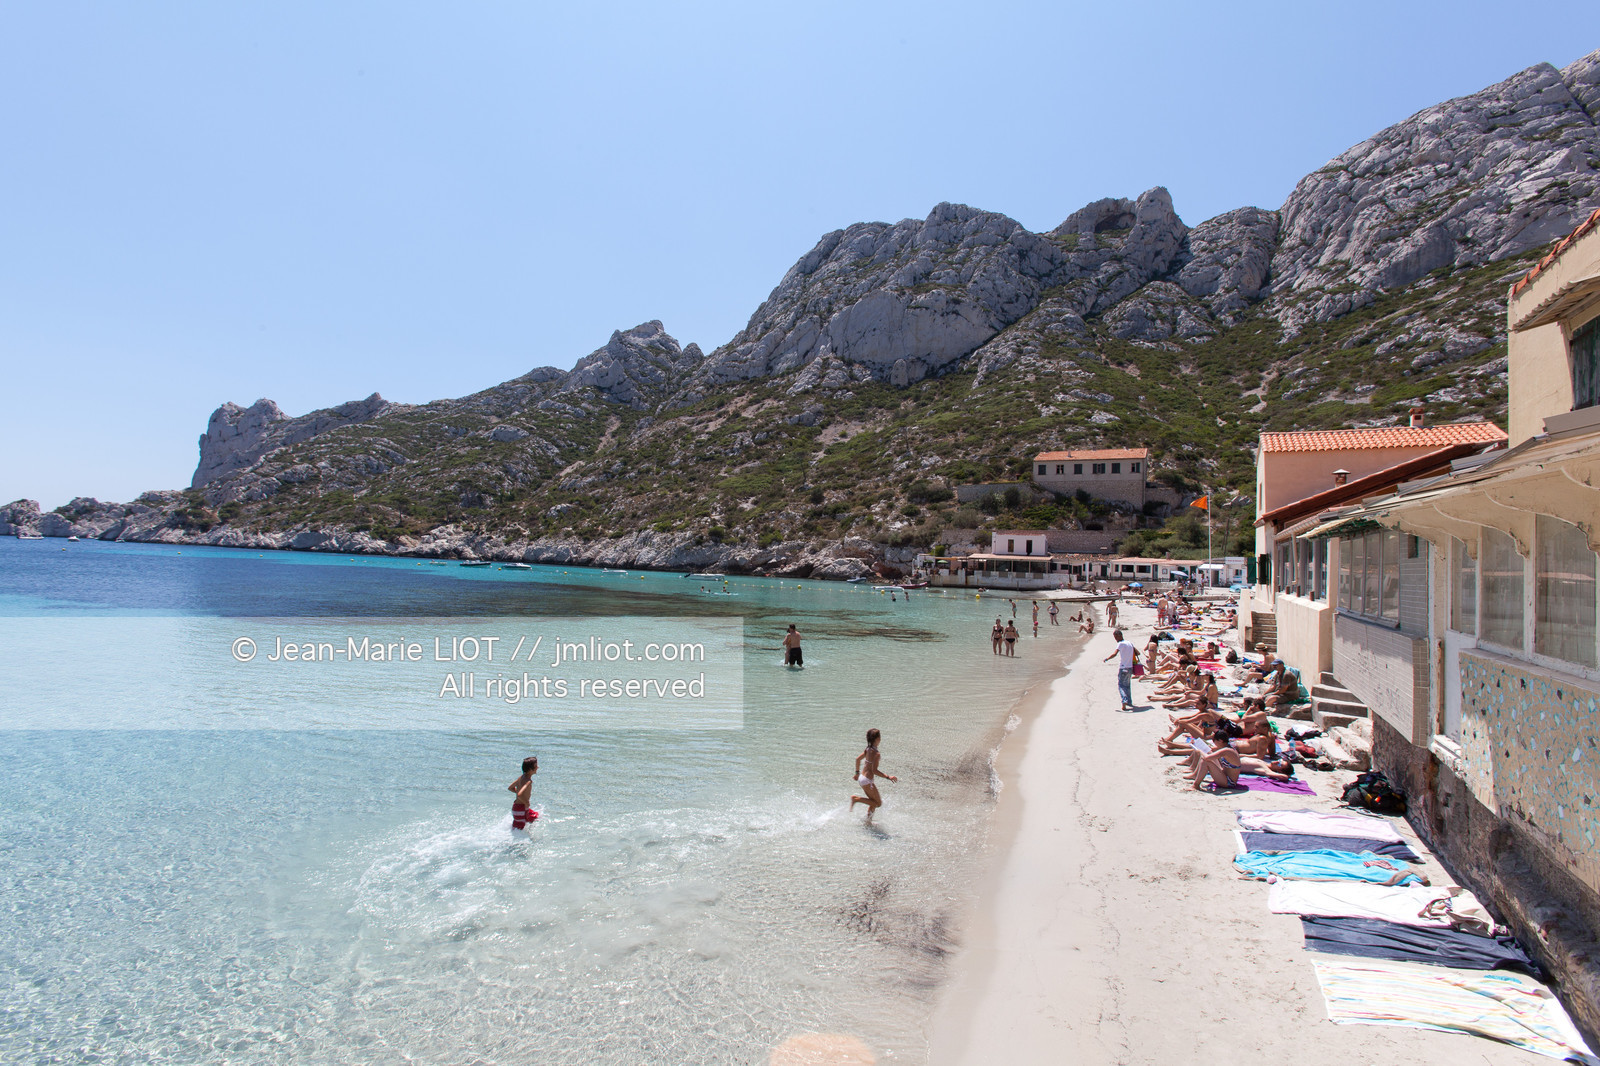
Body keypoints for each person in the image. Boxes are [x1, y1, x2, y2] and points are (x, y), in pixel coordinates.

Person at [850, 728, 897, 821]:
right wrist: (888, 777)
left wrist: (857, 773)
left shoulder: (868, 749)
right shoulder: (877, 754)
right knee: (878, 803)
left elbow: (857, 759)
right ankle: (856, 799)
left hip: (862, 778)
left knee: (872, 802)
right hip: (867, 781)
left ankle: (868, 821)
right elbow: (874, 770)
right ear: (877, 739)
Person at [1102, 627, 1137, 710]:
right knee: (1127, 685)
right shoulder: (1130, 643)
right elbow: (1137, 652)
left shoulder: (1120, 644)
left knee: (1121, 685)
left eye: (1115, 637)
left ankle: (1124, 700)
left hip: (1123, 667)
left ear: (1119, 636)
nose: (1115, 639)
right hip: (1130, 667)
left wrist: (1107, 659)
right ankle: (1129, 701)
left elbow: (1115, 654)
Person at [508, 756, 539, 831]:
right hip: (521, 809)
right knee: (521, 829)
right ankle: (527, 839)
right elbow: (519, 795)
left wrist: (518, 792)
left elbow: (510, 788)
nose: (538, 767)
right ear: (530, 769)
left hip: (516, 808)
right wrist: (526, 803)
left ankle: (526, 837)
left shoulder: (521, 777)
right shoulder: (528, 781)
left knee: (535, 817)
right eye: (536, 766)